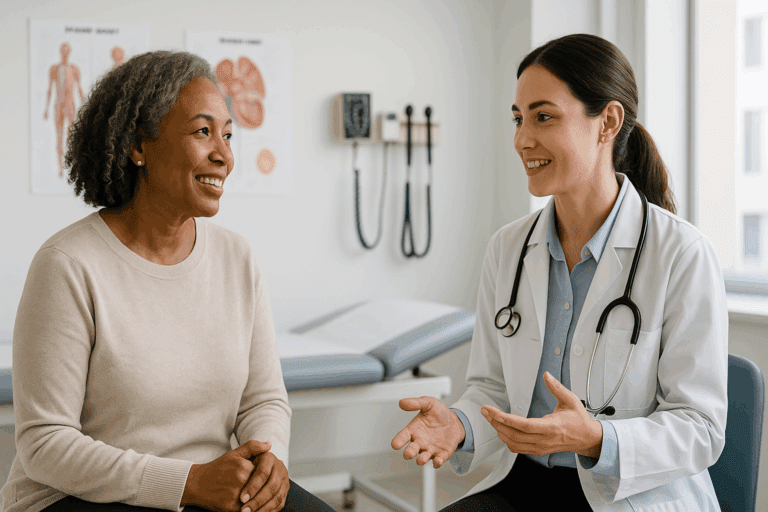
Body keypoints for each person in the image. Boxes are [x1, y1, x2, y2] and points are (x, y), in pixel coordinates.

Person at [392, 34, 727, 512]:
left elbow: (700, 429)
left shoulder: (682, 253)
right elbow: (492, 389)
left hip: (633, 494)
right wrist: (460, 424)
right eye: (518, 118)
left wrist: (596, 440)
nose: (522, 139)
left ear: (607, 122)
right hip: (524, 483)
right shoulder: (509, 248)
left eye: (543, 117)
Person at [3, 51, 334, 512]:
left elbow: (263, 400)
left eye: (228, 135)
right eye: (203, 132)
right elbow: (45, 444)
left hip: (207, 487)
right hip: (76, 496)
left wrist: (267, 461)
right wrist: (187, 482)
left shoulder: (237, 258)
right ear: (139, 146)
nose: (224, 155)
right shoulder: (67, 264)